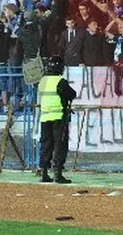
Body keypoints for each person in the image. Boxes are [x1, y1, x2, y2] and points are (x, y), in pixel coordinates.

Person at [37, 55, 77, 184]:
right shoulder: (60, 81)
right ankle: (57, 174)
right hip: (58, 117)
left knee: (45, 145)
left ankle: (44, 172)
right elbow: (72, 94)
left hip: (45, 117)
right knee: (60, 145)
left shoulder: (42, 81)